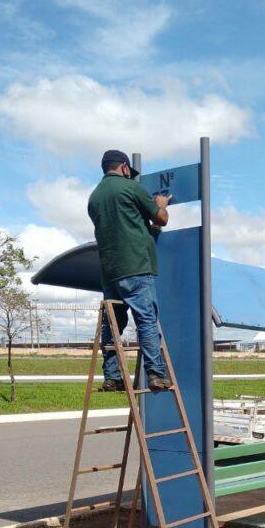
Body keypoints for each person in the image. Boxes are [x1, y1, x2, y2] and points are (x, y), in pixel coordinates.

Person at [88, 149, 172, 392]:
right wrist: (161, 205)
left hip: (110, 272)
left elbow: (127, 230)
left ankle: (112, 377)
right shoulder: (130, 187)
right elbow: (162, 218)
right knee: (145, 318)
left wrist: (151, 228)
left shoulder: (94, 198)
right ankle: (156, 374)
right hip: (136, 267)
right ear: (124, 167)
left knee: (113, 324)